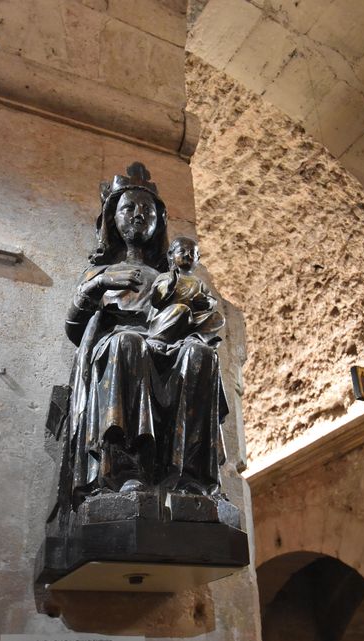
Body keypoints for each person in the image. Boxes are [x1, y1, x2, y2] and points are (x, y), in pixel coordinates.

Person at [65, 163, 228, 502]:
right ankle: (125, 469)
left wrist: (197, 333)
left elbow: (200, 318)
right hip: (121, 350)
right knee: (128, 343)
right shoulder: (100, 272)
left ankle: (192, 476)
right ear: (113, 218)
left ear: (158, 222)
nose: (138, 215)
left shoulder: (169, 278)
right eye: (129, 208)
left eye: (147, 210)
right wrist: (99, 284)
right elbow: (74, 327)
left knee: (200, 355)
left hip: (166, 344)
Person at [147, 236, 225, 347]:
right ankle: (159, 338)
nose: (187, 255)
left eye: (192, 253)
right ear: (171, 255)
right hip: (169, 319)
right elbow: (155, 300)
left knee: (218, 318)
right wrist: (170, 286)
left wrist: (207, 302)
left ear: (198, 259)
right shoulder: (166, 277)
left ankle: (196, 337)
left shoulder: (199, 283)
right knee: (182, 309)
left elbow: (211, 300)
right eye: (181, 251)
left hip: (192, 321)